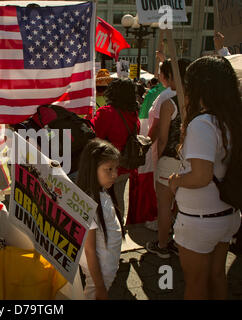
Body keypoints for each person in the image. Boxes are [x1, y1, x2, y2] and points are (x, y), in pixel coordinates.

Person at [168, 56, 242, 299]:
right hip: (226, 214)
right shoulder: (230, 120)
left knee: (196, 284)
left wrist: (175, 180)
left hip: (201, 220)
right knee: (217, 276)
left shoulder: (203, 124)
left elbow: (200, 176)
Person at [145, 59, 191, 259]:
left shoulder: (169, 103)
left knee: (164, 204)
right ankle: (183, 243)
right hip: (191, 162)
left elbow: (162, 139)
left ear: (173, 77)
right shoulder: (197, 100)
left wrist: (158, 160)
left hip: (170, 160)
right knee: (184, 206)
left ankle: (163, 244)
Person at [76, 139, 124, 300]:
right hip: (101, 271)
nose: (115, 174)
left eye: (115, 168)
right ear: (92, 169)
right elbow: (89, 251)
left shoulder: (101, 192)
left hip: (106, 266)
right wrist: (100, 286)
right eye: (108, 169)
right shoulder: (88, 203)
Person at [91, 79, 140, 221]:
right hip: (125, 165)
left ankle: (110, 232)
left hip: (106, 166)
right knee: (118, 200)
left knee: (103, 203)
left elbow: (94, 136)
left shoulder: (106, 113)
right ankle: (120, 227)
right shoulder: (133, 115)